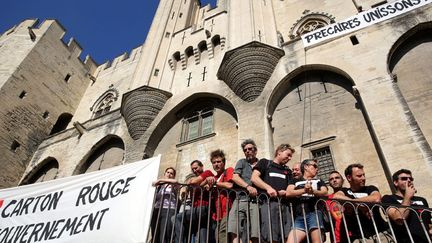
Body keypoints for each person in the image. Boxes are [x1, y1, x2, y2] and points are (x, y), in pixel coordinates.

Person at [333, 163, 392, 243]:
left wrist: (354, 203)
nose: (363, 178)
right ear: (349, 178)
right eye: (359, 176)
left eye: (364, 175)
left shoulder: (370, 188)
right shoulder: (345, 191)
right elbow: (336, 197)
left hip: (381, 234)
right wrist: (361, 206)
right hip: (359, 237)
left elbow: (376, 198)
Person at [251, 144, 295, 243]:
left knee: (288, 237)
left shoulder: (287, 170)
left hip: (285, 206)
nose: (289, 158)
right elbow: (254, 178)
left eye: (290, 156)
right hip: (268, 204)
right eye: (288, 155)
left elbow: (290, 187)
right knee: (271, 236)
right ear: (279, 152)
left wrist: (285, 192)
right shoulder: (265, 163)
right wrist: (268, 188)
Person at [192, 149, 234, 243]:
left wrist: (215, 184)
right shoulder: (213, 178)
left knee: (223, 236)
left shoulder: (229, 170)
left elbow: (230, 185)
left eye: (219, 161)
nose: (216, 164)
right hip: (217, 216)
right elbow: (201, 187)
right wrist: (206, 180)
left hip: (228, 211)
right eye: (214, 162)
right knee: (218, 238)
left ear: (223, 163)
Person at [382, 169, 432, 242]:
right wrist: (407, 196)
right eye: (404, 179)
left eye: (411, 179)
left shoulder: (422, 200)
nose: (409, 180)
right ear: (396, 182)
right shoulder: (388, 199)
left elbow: (428, 223)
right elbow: (399, 218)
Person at [286, 159, 328, 243]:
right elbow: (288, 192)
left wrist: (312, 191)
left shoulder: (319, 181)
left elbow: (325, 192)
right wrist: (304, 190)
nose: (317, 169)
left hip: (314, 213)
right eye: (315, 166)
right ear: (306, 167)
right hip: (299, 216)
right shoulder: (295, 180)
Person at [228, 139, 259, 243]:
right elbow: (235, 177)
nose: (247, 151)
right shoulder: (242, 162)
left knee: (255, 231)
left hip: (255, 201)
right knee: (234, 229)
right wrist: (248, 187)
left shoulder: (261, 164)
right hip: (240, 199)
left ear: (255, 150)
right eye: (245, 150)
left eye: (250, 149)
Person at [175, 160, 212, 243]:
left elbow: (193, 181)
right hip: (197, 211)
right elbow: (186, 189)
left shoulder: (207, 172)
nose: (195, 170)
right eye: (193, 169)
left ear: (202, 166)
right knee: (201, 235)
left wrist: (191, 183)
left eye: (196, 168)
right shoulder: (199, 179)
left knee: (176, 218)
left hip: (203, 208)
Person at [151, 167, 179, 243]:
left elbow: (176, 181)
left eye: (171, 173)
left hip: (168, 210)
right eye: (168, 172)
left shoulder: (173, 184)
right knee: (155, 234)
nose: (169, 174)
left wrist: (160, 180)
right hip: (157, 210)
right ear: (164, 173)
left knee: (164, 234)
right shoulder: (159, 186)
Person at [326, 171, 344, 243]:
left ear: (342, 180)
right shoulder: (327, 199)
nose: (334, 180)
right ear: (329, 183)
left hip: (355, 235)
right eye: (331, 179)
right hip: (337, 238)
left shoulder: (350, 193)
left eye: (337, 178)